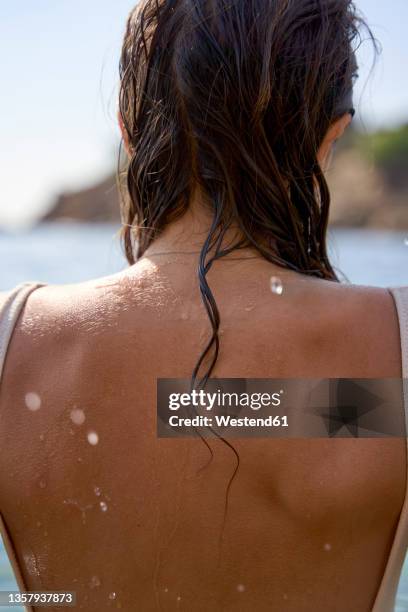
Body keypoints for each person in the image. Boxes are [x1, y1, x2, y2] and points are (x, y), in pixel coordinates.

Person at [0, 1, 407, 610]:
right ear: (333, 129)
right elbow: (234, 410)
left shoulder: (12, 347)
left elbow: (191, 409)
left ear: (129, 129)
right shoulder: (392, 358)